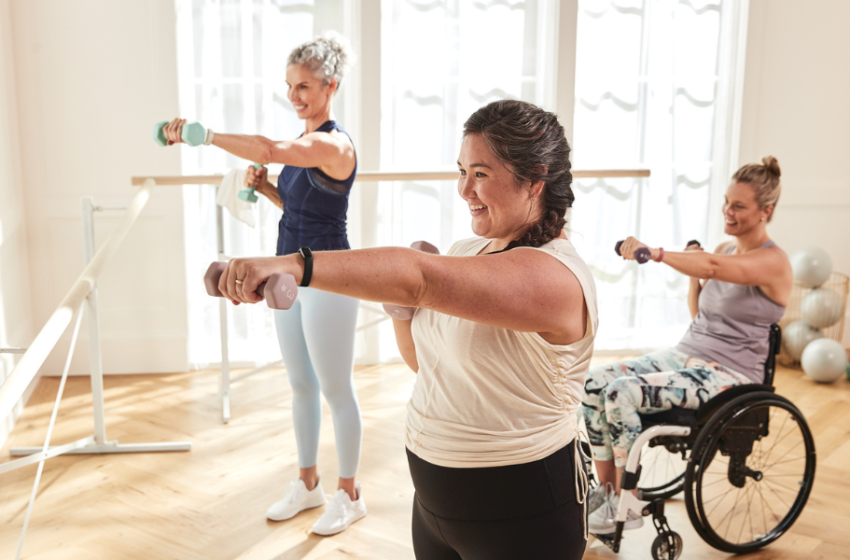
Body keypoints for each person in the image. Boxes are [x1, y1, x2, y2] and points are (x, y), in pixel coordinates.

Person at [216, 100, 596, 559]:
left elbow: (421, 276)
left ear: (534, 179)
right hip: (436, 507)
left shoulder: (555, 277)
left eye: (480, 173)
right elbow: (428, 364)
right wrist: (402, 313)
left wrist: (293, 264)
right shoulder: (467, 249)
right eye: (461, 171)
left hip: (523, 507)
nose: (463, 189)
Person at [163, 32, 365, 536]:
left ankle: (350, 494)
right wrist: (268, 187)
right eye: (289, 87)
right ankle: (308, 483)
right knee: (301, 384)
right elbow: (300, 211)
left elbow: (272, 147)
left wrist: (204, 135)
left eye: (304, 87)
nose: (294, 96)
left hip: (331, 274)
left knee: (337, 388)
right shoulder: (305, 145)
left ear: (330, 86)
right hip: (289, 270)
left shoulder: (331, 144)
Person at [582, 156, 791, 534]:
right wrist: (694, 272)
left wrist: (657, 253)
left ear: (766, 212)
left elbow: (710, 267)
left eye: (739, 206)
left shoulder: (774, 262)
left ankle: (628, 504)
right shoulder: (726, 250)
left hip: (730, 372)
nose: (728, 210)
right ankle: (608, 492)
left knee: (621, 394)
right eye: (727, 201)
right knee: (593, 382)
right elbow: (701, 307)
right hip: (687, 352)